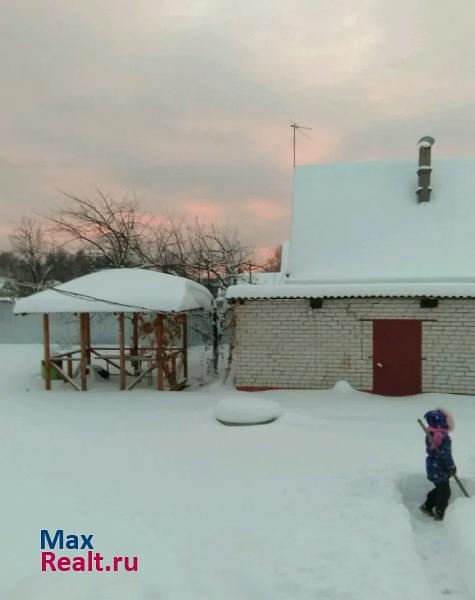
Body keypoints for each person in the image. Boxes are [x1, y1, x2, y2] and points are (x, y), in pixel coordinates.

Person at [419, 408, 456, 520]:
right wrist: (451, 467)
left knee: (440, 488)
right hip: (439, 467)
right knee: (445, 492)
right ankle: (440, 512)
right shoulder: (444, 437)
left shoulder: (430, 433)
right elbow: (446, 455)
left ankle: (427, 505)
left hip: (432, 466)